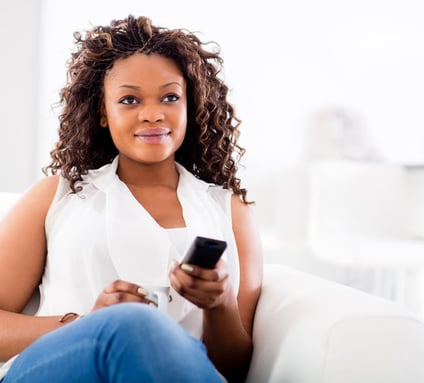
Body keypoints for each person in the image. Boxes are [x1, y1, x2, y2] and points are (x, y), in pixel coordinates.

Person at [0, 15, 262, 383]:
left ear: (191, 105)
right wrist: (89, 325)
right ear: (103, 114)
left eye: (170, 97)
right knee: (132, 324)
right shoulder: (58, 194)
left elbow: (234, 368)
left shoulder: (229, 212)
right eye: (129, 100)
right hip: (59, 368)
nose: (153, 114)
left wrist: (219, 304)